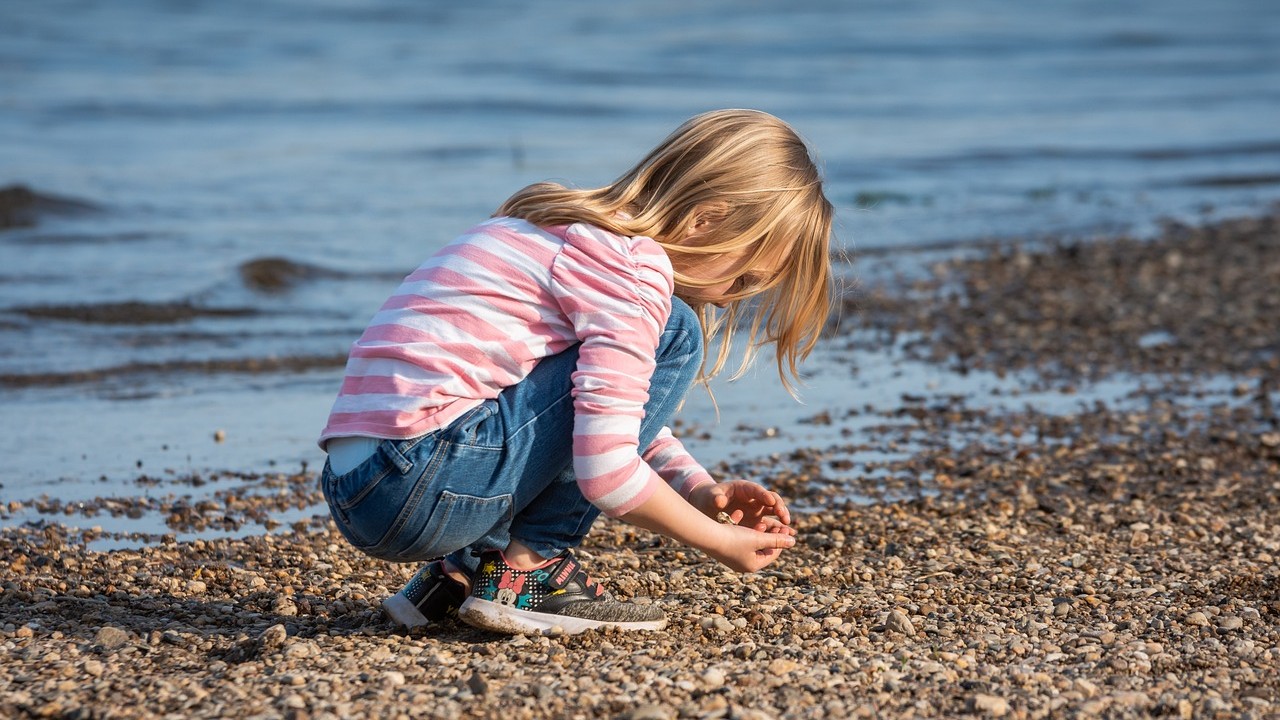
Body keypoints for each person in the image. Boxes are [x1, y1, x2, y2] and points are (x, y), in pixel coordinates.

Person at [319, 108, 834, 635]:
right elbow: (605, 469)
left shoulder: (556, 233)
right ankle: (527, 568)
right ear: (705, 220)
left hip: (358, 487)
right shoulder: (632, 271)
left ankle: (460, 574)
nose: (732, 303)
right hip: (425, 482)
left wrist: (698, 489)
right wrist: (716, 539)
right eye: (744, 278)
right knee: (676, 329)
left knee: (607, 375)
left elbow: (592, 405)